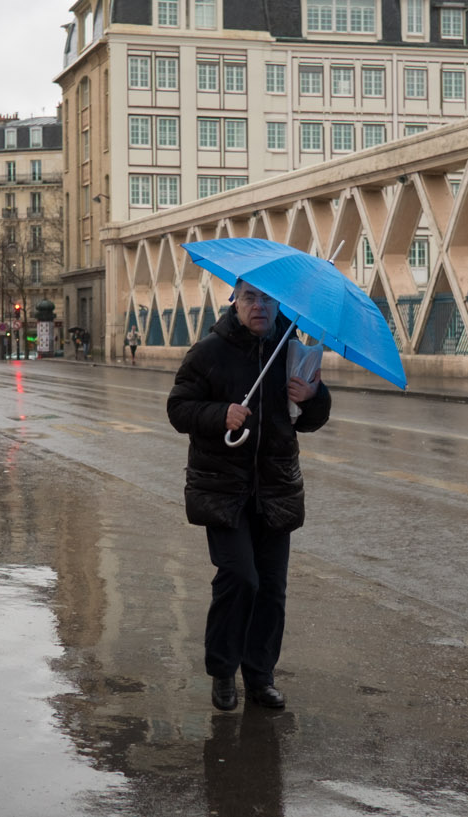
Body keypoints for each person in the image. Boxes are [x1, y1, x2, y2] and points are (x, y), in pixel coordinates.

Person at [167, 282, 331, 711]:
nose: (259, 306)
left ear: (279, 305)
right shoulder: (208, 352)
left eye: (268, 299)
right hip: (224, 491)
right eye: (250, 299)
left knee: (272, 589)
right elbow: (178, 408)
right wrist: (220, 413)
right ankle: (223, 671)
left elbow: (310, 420)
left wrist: (313, 398)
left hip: (275, 489)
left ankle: (260, 677)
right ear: (234, 304)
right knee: (240, 577)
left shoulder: (291, 350)